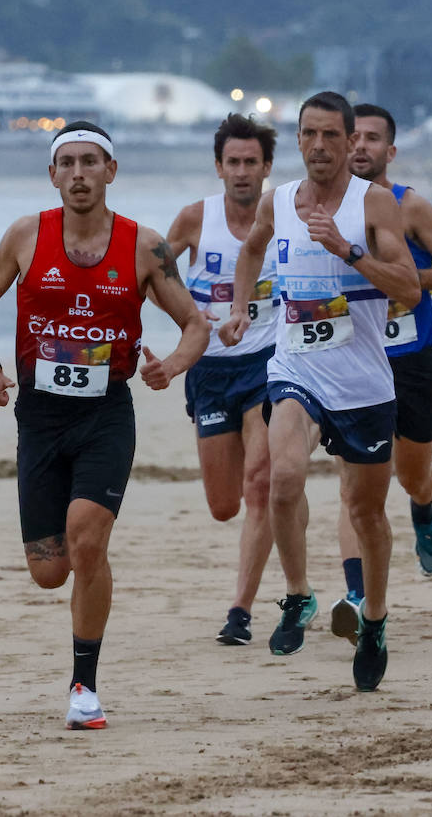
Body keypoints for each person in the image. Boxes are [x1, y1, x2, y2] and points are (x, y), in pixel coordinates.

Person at [0, 121, 209, 729]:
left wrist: (172, 368)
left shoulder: (143, 247)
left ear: (111, 171)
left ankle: (84, 687)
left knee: (86, 537)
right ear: (52, 175)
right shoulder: (27, 236)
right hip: (41, 419)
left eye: (90, 162)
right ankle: (88, 570)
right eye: (67, 163)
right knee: (51, 571)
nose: (79, 174)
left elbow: (196, 324)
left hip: (106, 415)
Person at [220, 92, 420, 692]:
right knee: (280, 479)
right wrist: (238, 309)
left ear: (353, 141)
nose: (321, 146)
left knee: (366, 512)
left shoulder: (373, 204)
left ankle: (376, 619)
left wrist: (347, 250)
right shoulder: (280, 200)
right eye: (310, 134)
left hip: (361, 381)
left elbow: (408, 288)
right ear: (299, 138)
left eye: (333, 135)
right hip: (295, 367)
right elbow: (252, 250)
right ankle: (298, 595)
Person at [325, 104, 432, 645]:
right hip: (352, 357)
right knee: (354, 487)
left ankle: (423, 504)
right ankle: (359, 593)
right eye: (353, 137)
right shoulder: (324, 209)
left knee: (410, 474)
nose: (360, 146)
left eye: (372, 139)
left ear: (390, 150)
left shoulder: (411, 207)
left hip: (410, 359)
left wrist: (401, 280)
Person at [164, 113, 279, 646]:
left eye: (250, 162)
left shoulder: (288, 217)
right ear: (217, 167)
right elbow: (155, 281)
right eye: (232, 162)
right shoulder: (193, 219)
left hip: (270, 364)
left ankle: (241, 611)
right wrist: (190, 319)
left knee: (261, 485)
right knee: (223, 504)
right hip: (210, 369)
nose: (241, 172)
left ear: (266, 167)